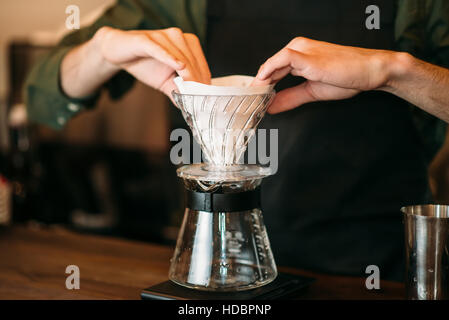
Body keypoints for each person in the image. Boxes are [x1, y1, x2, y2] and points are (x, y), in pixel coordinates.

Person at [25, 0, 449, 281]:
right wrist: (100, 49)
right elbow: (42, 97)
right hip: (216, 268)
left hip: (378, 277)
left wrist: (395, 72)